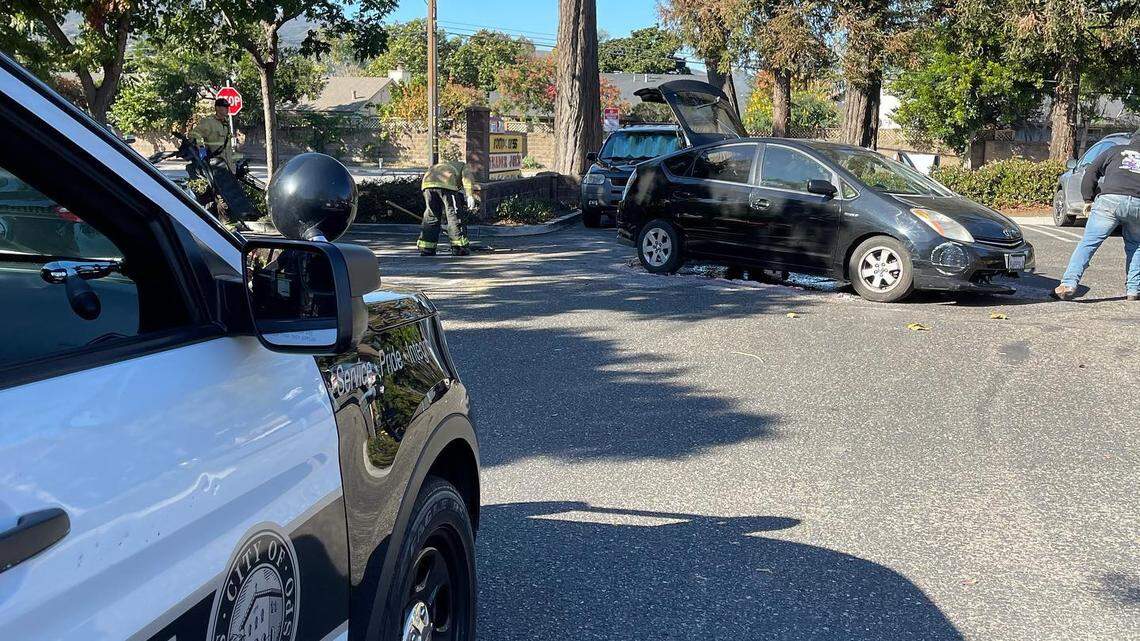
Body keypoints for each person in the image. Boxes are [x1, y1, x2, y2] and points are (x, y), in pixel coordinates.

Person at [1053, 131, 1140, 302]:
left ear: (1132, 141)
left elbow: (1091, 172)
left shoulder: (1115, 150)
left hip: (1110, 202)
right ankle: (1134, 289)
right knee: (1136, 245)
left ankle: (1069, 284)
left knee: (1089, 243)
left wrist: (1088, 199)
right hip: (1139, 204)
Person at [417, 159, 475, 256]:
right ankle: (459, 247)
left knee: (431, 215)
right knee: (454, 215)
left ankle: (427, 248)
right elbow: (467, 180)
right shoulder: (463, 166)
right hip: (447, 184)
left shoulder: (441, 165)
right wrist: (469, 195)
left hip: (427, 184)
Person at [188, 97, 234, 172]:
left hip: (228, 165)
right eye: (225, 107)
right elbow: (193, 134)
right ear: (217, 108)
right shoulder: (209, 122)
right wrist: (201, 148)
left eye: (227, 107)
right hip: (215, 164)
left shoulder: (226, 123)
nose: (227, 109)